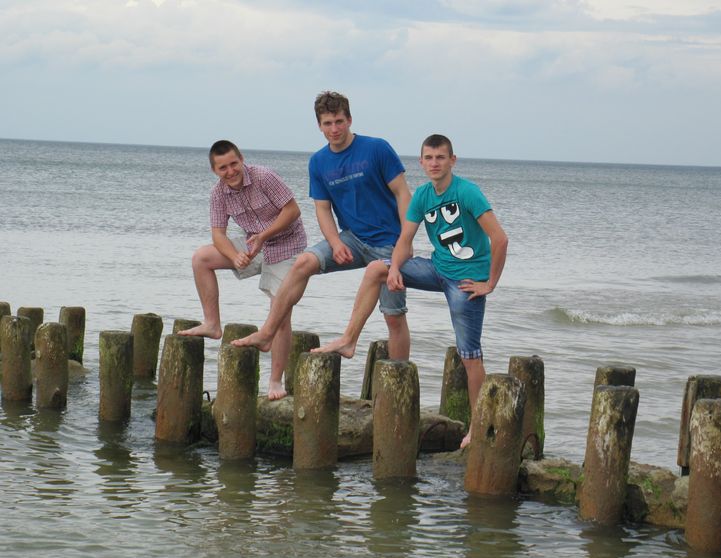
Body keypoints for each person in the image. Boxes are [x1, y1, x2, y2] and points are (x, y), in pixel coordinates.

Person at [314, 134, 508, 449]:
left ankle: (477, 427)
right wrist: (393, 268)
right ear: (421, 162)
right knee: (375, 269)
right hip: (436, 269)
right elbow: (404, 241)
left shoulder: (467, 192)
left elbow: (499, 239)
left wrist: (490, 283)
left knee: (470, 356)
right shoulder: (422, 196)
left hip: (466, 282)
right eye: (429, 158)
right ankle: (349, 340)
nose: (434, 163)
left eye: (440, 157)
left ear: (452, 160)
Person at [232, 91, 412, 359]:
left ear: (349, 120)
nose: (334, 129)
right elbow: (323, 209)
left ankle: (390, 367)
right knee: (303, 262)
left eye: (339, 121)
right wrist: (336, 243)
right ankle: (267, 333)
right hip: (352, 239)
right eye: (327, 123)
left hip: (389, 243)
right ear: (319, 125)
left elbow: (403, 195)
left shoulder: (377, 149)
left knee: (393, 317)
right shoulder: (318, 162)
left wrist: (405, 242)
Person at [179, 139, 307, 400]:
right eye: (223, 168)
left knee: (280, 312)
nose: (230, 171)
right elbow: (218, 234)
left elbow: (293, 210)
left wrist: (263, 236)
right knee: (201, 259)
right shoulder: (218, 193)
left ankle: (275, 382)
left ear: (242, 159)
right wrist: (234, 256)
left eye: (234, 164)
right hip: (253, 244)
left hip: (287, 245)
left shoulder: (264, 177)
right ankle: (212, 324)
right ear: (215, 170)